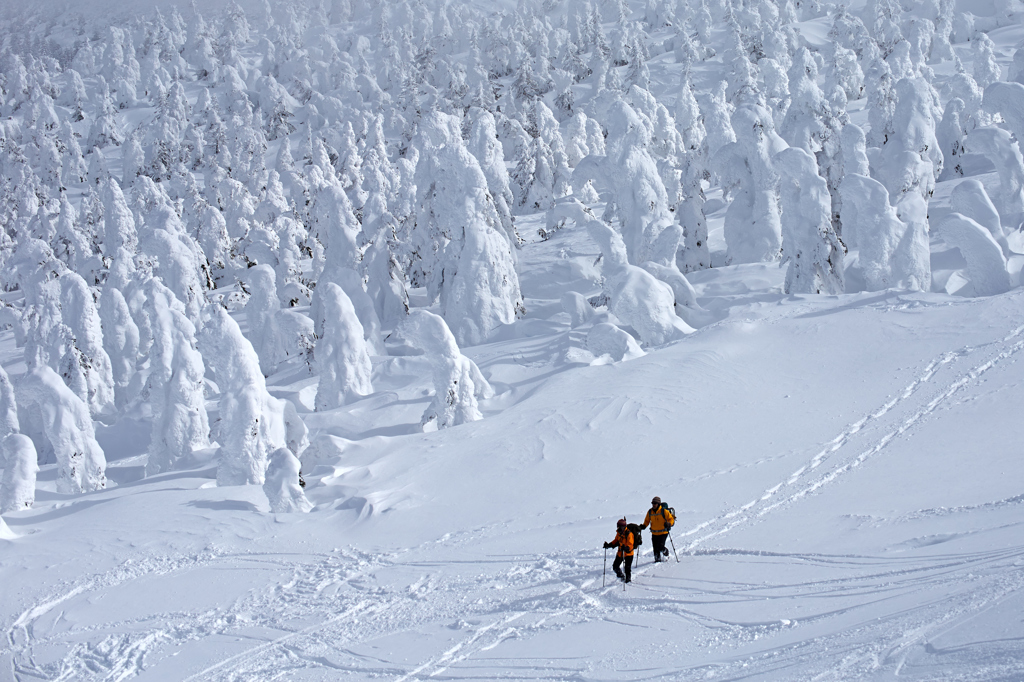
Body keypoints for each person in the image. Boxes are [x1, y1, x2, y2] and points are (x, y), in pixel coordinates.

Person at [640, 496, 675, 562]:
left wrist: (669, 524)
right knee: (655, 548)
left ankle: (665, 551)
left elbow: (671, 519)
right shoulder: (650, 512)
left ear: (658, 504)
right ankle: (657, 560)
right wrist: (644, 526)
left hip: (663, 532)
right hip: (654, 533)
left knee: (660, 546)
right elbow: (647, 521)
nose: (653, 505)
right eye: (653, 503)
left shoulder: (664, 511)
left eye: (655, 503)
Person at [603, 518, 634, 583]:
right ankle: (621, 577)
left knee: (627, 569)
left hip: (629, 554)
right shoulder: (619, 533)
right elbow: (616, 541)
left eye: (620, 527)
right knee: (615, 566)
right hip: (620, 553)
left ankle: (628, 581)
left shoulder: (629, 534)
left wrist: (626, 548)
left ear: (624, 527)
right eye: (618, 527)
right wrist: (608, 545)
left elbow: (631, 545)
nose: (619, 528)